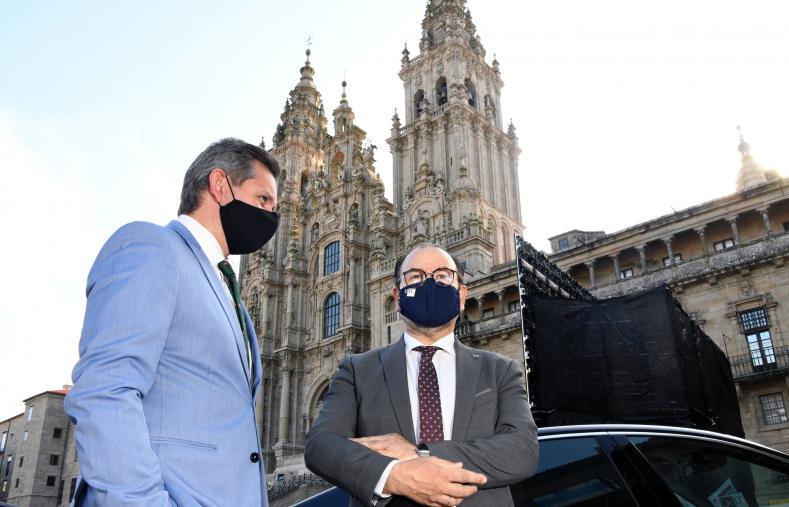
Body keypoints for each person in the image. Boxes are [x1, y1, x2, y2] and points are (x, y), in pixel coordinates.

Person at [65, 138, 280, 506]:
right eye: (263, 200)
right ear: (220, 186)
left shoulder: (230, 294)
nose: (271, 217)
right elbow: (105, 391)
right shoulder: (152, 247)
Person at [305, 244, 538, 507]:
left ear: (462, 296)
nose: (429, 285)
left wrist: (421, 454)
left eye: (442, 276)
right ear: (397, 298)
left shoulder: (499, 370)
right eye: (415, 277)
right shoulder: (357, 370)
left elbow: (523, 449)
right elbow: (320, 445)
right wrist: (394, 476)